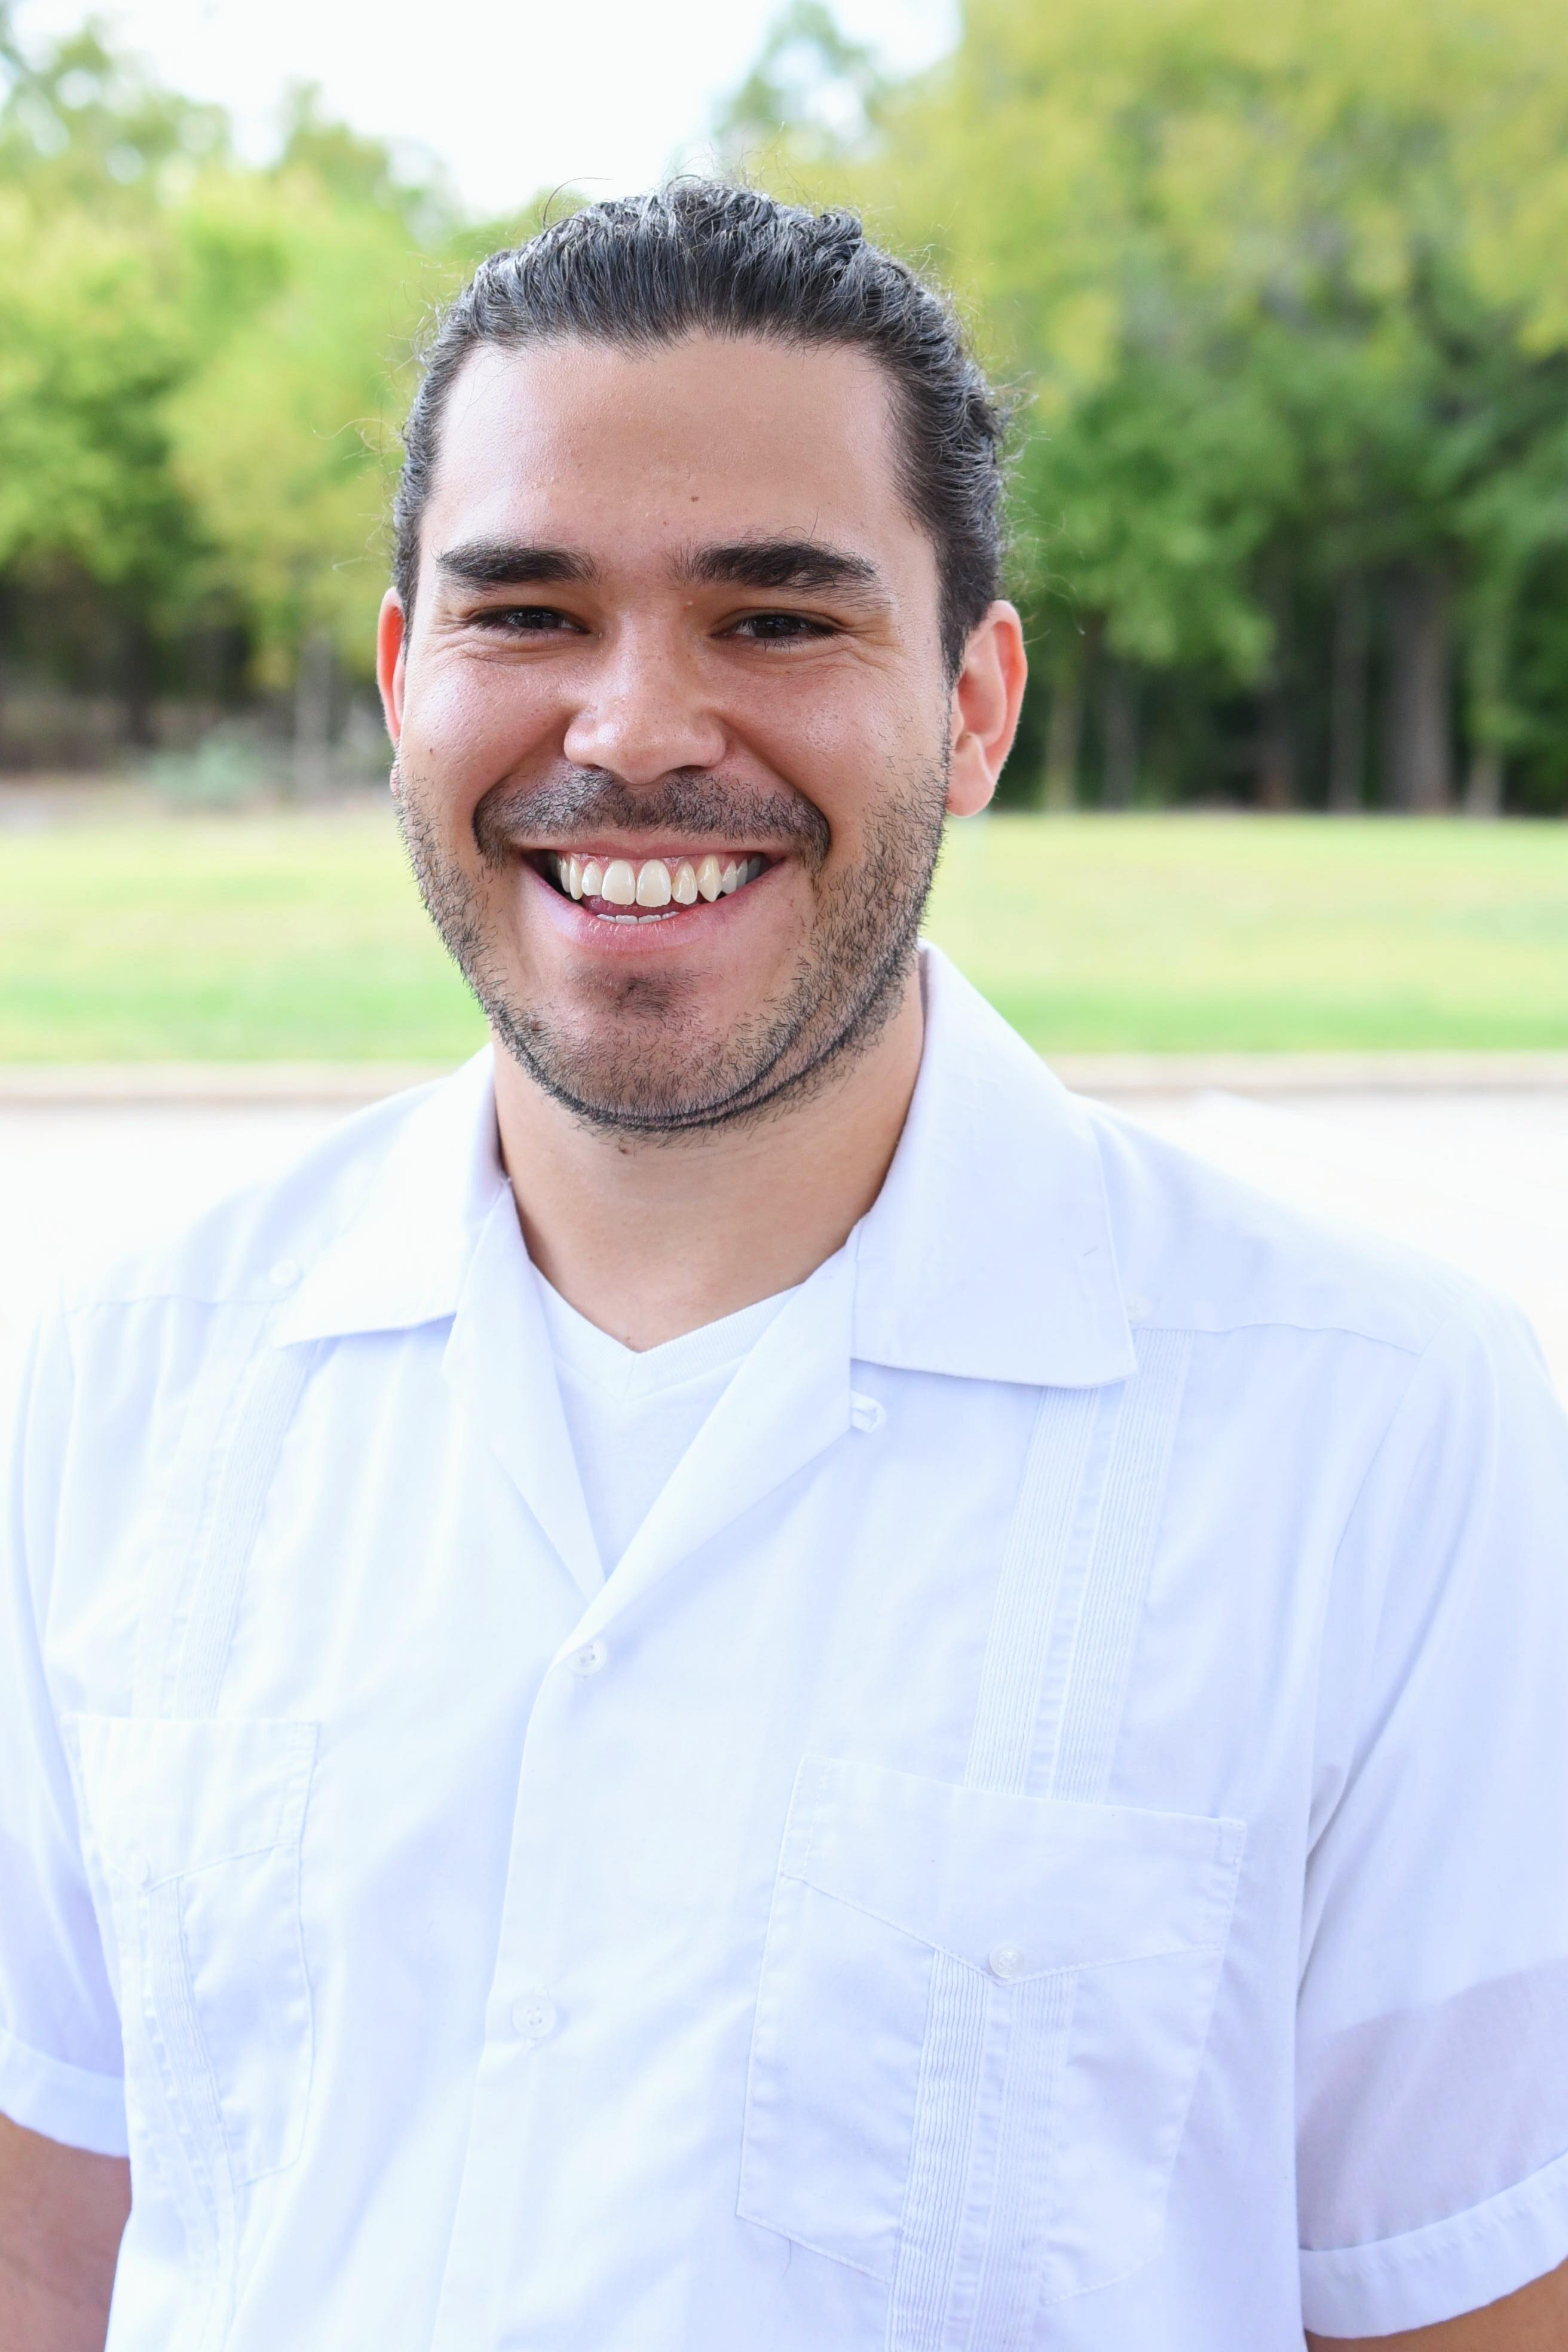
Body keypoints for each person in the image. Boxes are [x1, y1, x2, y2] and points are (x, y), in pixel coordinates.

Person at [2, 183, 1566, 2352]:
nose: (635, 730)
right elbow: (45, 2234)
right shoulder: (114, 1382)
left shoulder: (1387, 1428)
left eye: (777, 620)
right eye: (526, 612)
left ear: (978, 705)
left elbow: (1459, 2297)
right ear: (398, 680)